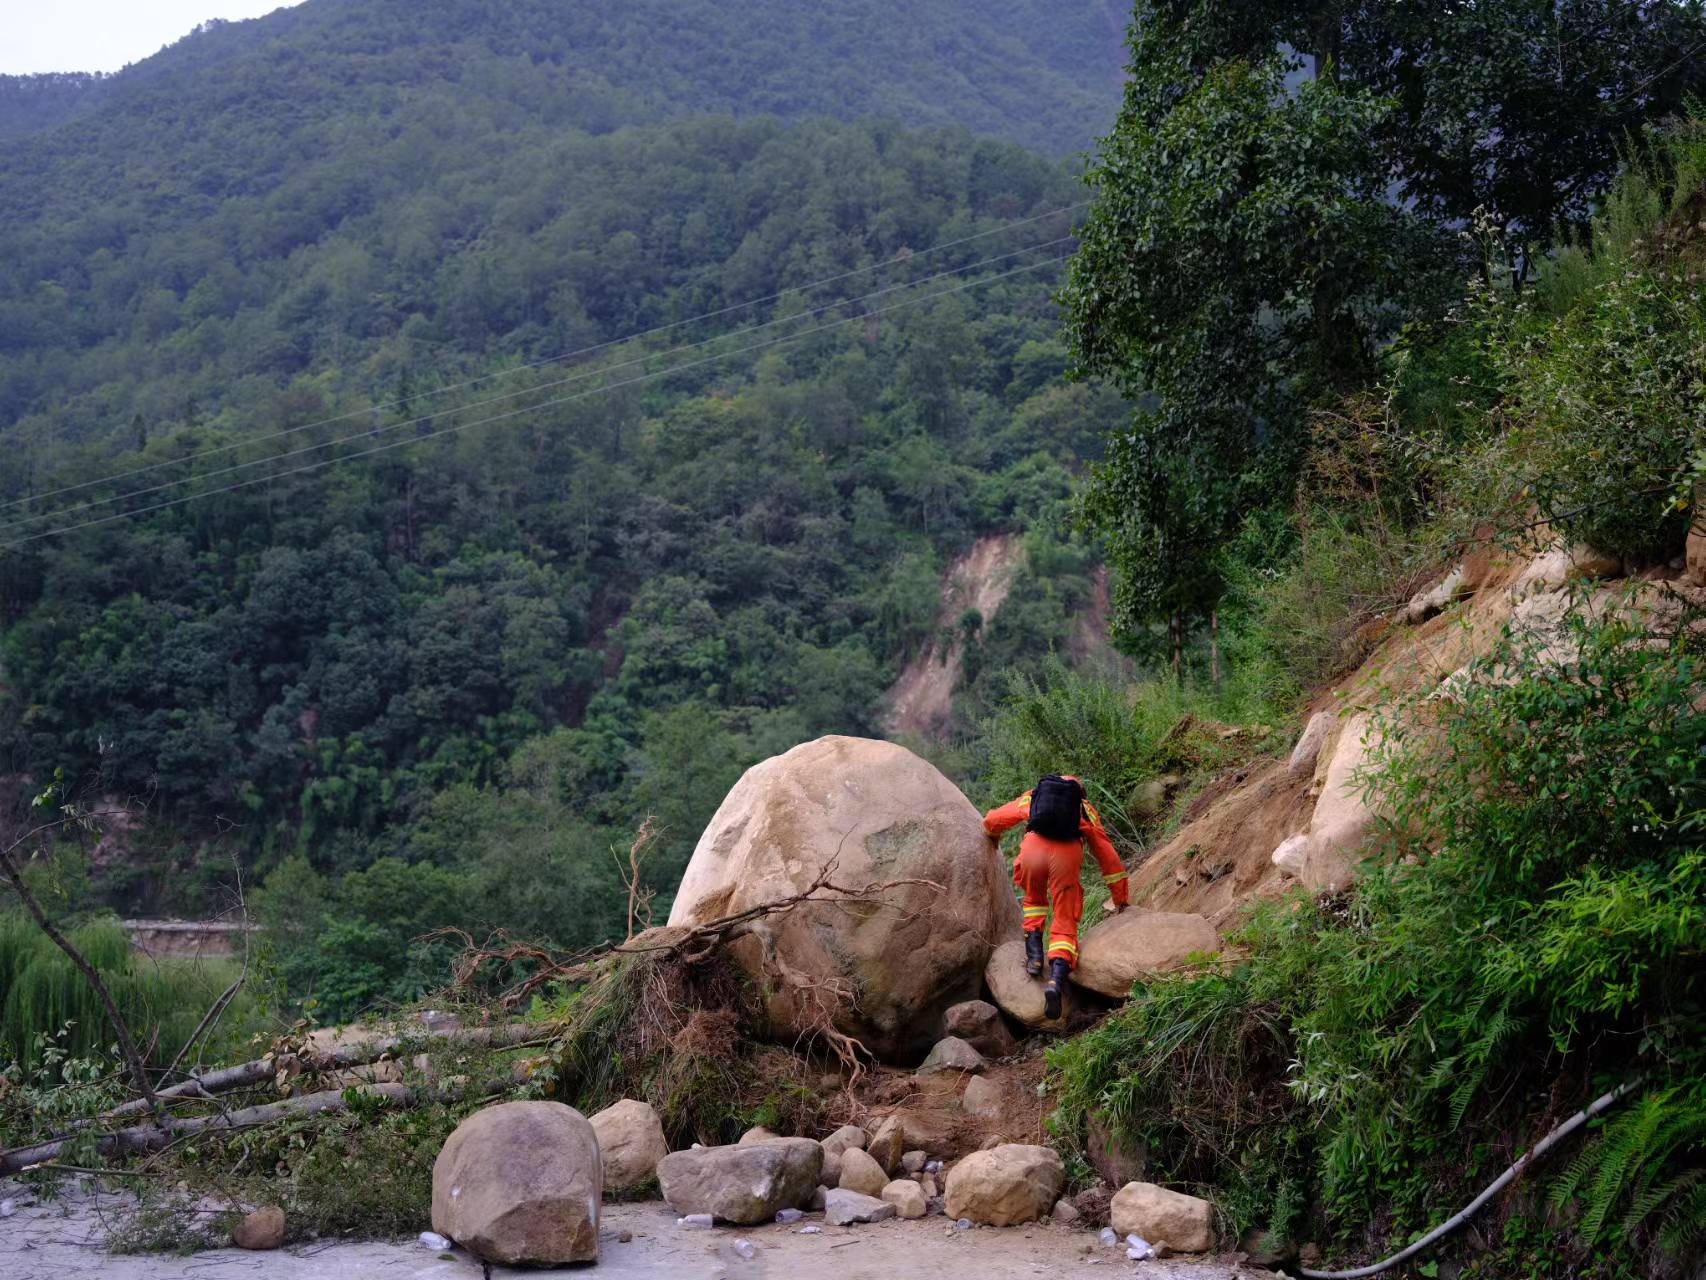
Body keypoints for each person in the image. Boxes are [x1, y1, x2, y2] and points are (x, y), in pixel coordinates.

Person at [983, 774, 1129, 1020]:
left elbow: (994, 819)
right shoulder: (1083, 809)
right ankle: (1056, 980)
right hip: (1066, 857)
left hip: (1033, 852)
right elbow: (1106, 853)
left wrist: (992, 834)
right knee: (1064, 915)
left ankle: (1035, 959)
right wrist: (1120, 896)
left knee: (1034, 901)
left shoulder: (1034, 797)